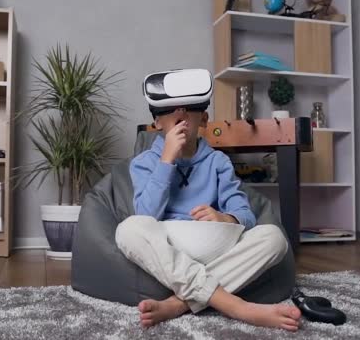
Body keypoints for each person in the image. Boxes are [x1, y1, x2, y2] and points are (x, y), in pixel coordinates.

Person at [115, 104, 301, 332]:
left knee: (274, 237)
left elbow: (245, 214)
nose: (180, 112)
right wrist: (166, 161)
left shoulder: (218, 161)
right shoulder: (143, 162)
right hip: (168, 249)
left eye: (189, 107)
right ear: (157, 123)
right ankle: (236, 307)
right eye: (170, 109)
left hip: (214, 246)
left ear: (203, 119)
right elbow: (146, 216)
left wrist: (226, 218)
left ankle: (177, 303)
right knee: (128, 229)